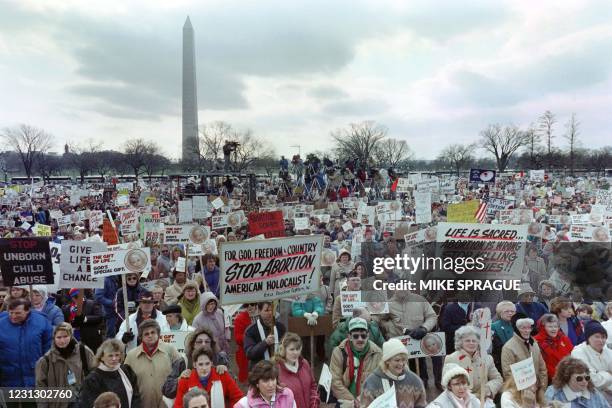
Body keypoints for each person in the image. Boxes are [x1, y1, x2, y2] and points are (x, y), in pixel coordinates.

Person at [376, 289, 437, 386]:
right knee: (402, 366)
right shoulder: (388, 304)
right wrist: (390, 327)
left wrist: (424, 328)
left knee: (421, 366)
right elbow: (379, 319)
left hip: (418, 341)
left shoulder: (420, 300)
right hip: (400, 343)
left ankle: (423, 384)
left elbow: (432, 316)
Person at [162, 327, 230, 401]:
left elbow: (232, 389)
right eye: (199, 342)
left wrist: (225, 372)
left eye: (207, 342)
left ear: (211, 344)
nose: (203, 344)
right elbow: (166, 390)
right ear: (193, 344)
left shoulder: (220, 359)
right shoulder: (183, 362)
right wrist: (179, 379)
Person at [124, 319, 181, 408]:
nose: (150, 336)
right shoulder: (131, 356)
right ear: (141, 337)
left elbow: (180, 376)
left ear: (158, 334)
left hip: (168, 405)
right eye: (146, 334)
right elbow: (126, 385)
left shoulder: (170, 350)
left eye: (153, 332)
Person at [0, 298, 53, 387]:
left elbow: (49, 347)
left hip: (36, 377)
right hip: (9, 379)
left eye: (18, 313)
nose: (13, 316)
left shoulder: (42, 322)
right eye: (11, 312)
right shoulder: (1, 324)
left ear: (28, 310)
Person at [330, 317, 383, 405]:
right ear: (349, 336)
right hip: (346, 400)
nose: (360, 339)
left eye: (363, 335)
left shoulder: (377, 353)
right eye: (355, 336)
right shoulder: (339, 352)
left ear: (368, 335)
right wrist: (354, 402)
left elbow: (380, 381)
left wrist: (364, 399)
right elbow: (335, 382)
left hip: (368, 401)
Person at [360, 338, 427, 407]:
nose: (401, 364)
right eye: (397, 360)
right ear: (387, 361)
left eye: (404, 360)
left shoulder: (415, 381)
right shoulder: (372, 382)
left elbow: (422, 405)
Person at [444, 325, 502, 401]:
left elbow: (497, 379)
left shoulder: (487, 358)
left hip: (484, 400)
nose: (471, 343)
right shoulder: (451, 359)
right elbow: (446, 385)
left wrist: (488, 389)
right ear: (460, 342)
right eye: (467, 340)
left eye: (474, 341)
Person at [80, 338, 141, 408]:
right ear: (102, 357)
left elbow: (136, 397)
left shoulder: (127, 371)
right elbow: (88, 403)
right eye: (110, 355)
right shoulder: (93, 379)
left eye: (117, 355)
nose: (114, 359)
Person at [501, 313, 548, 402]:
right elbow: (508, 374)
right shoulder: (508, 347)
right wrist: (526, 392)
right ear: (516, 329)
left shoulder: (534, 342)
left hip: (537, 391)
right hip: (520, 394)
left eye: (529, 327)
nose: (527, 330)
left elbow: (542, 368)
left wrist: (542, 388)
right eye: (523, 328)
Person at [175, 347, 243, 408]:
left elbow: (239, 399)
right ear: (195, 365)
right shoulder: (185, 380)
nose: (204, 368)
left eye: (207, 364)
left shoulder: (222, 375)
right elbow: (179, 406)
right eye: (200, 364)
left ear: (211, 363)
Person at [571, 320, 612, 403]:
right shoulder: (578, 352)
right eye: (597, 336)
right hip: (589, 399)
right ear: (588, 337)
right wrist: (609, 374)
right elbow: (591, 381)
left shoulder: (607, 351)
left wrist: (600, 374)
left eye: (603, 337)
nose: (601, 340)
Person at [275, 332, 319, 408]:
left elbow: (313, 386)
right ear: (283, 350)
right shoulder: (276, 369)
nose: (295, 353)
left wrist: (314, 404)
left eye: (298, 349)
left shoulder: (304, 363)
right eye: (292, 349)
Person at [545, 356, 610, 407]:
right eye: (579, 378)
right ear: (567, 378)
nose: (584, 381)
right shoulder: (553, 393)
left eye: (587, 378)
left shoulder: (593, 392)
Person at [244, 301, 287, 369]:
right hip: (259, 370)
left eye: (272, 310)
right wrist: (265, 343)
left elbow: (286, 348)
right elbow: (249, 354)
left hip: (278, 369)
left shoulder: (280, 327)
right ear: (259, 311)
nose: (270, 313)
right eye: (266, 310)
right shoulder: (251, 330)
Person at [62, 288, 105, 353]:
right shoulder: (68, 308)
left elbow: (99, 317)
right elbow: (65, 322)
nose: (77, 299)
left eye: (78, 296)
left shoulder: (92, 303)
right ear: (72, 297)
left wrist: (85, 319)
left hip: (90, 338)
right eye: (75, 297)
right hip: (74, 338)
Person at [533, 314, 573, 381]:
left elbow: (573, 355)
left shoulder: (563, 338)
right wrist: (559, 377)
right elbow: (541, 365)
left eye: (555, 326)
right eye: (550, 326)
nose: (554, 329)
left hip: (569, 374)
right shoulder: (536, 342)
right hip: (551, 379)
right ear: (543, 327)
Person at [234, 303, 259, 383]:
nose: (249, 306)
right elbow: (238, 338)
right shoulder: (240, 318)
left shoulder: (262, 315)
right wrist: (251, 338)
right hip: (246, 354)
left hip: (261, 351)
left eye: (252, 304)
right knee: (247, 381)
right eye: (246, 305)